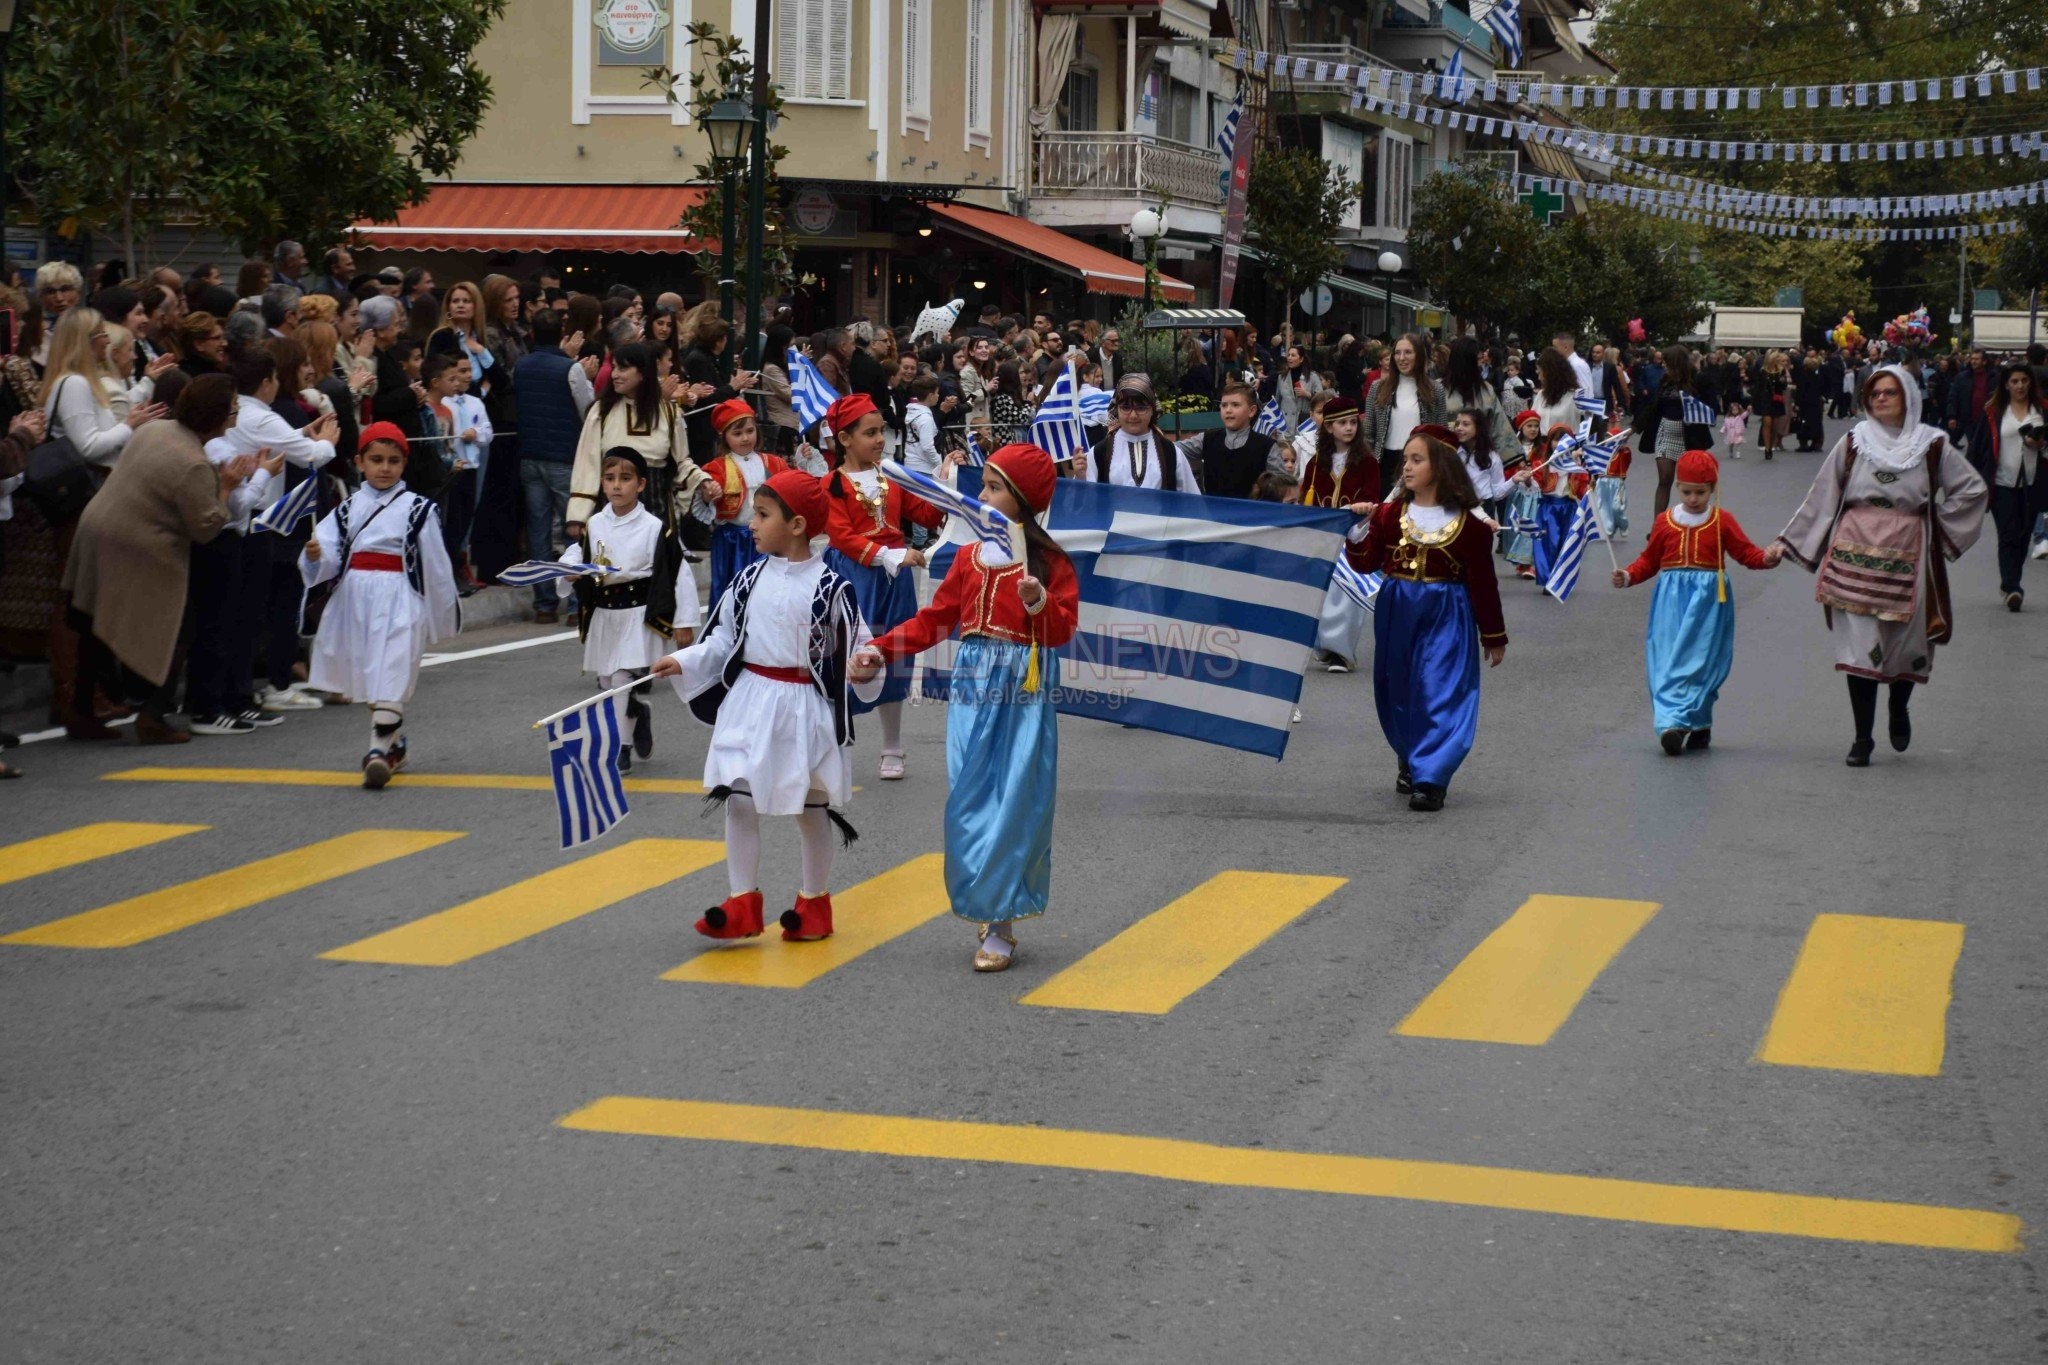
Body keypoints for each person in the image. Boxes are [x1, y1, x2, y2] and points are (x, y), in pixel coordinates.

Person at [851, 443, 1079, 971]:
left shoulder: (1049, 562)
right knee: (969, 796)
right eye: (985, 484)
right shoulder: (970, 559)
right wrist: (880, 649)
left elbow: (1062, 630)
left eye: (995, 487)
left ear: (1021, 501)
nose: (982, 495)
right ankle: (986, 892)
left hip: (1021, 687)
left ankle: (1000, 921)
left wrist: (1038, 602)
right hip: (972, 688)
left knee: (1012, 798)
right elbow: (934, 620)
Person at [651, 470, 884, 944]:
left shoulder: (831, 590)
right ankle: (742, 903)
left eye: (762, 514)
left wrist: (866, 664)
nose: (751, 524)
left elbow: (859, 647)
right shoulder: (749, 578)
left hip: (805, 709)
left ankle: (814, 903)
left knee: (809, 808)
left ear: (797, 525)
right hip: (751, 701)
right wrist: (682, 659)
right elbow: (722, 640)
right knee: (739, 799)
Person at [1775, 365, 1989, 767]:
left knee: (1907, 644)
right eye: (1874, 393)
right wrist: (1787, 544)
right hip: (1854, 549)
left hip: (1910, 551)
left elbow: (1972, 490)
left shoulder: (1933, 445)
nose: (1880, 399)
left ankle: (1899, 706)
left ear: (1907, 397)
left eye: (1889, 393)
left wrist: (1938, 528)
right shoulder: (1854, 442)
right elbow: (1824, 495)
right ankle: (1861, 738)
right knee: (1859, 648)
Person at [60, 378, 255, 750]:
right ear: (216, 417)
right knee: (180, 626)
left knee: (92, 623)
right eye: (233, 408)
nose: (237, 413)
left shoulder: (157, 429)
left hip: (97, 525)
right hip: (139, 545)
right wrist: (227, 485)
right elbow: (206, 528)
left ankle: (81, 710)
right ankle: (153, 715)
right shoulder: (195, 462)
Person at [1351, 426, 1508, 812]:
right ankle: (1409, 753)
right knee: (1399, 686)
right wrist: (1354, 533)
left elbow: (1484, 584)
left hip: (1447, 612)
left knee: (1439, 687)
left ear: (1440, 466)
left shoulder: (1471, 527)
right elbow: (1368, 561)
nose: (1406, 466)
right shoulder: (1389, 515)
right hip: (1397, 608)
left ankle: (1432, 776)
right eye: (1405, 459)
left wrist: (1493, 635)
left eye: (1416, 459)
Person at [299, 423, 462, 789]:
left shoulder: (419, 509)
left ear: (404, 464)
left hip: (401, 597)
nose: (384, 468)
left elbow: (435, 565)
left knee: (390, 669)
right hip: (355, 599)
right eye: (376, 460)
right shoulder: (345, 510)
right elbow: (328, 552)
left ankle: (376, 752)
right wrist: (314, 556)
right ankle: (394, 744)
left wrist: (439, 615)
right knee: (373, 674)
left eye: (393, 461)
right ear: (359, 462)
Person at [1611, 450, 1781, 755]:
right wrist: (1627, 575)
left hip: (1709, 600)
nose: (1693, 498)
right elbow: (1649, 561)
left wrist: (1766, 559)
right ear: (1677, 488)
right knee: (1666, 660)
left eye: (1700, 492)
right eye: (1686, 491)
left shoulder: (1721, 521)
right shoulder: (1664, 522)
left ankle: (1698, 721)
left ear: (1713, 489)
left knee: (1702, 662)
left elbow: (1746, 554)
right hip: (1669, 599)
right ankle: (1671, 724)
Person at [819, 392, 944, 780]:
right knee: (847, 656)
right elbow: (842, 536)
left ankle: (893, 746)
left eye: (882, 433)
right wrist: (891, 555)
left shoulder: (890, 475)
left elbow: (923, 512)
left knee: (893, 654)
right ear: (844, 439)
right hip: (853, 579)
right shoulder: (831, 484)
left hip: (895, 580)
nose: (879, 441)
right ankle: (834, 740)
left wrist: (943, 486)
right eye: (870, 433)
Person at [562, 447, 699, 773]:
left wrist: (684, 621)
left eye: (624, 479)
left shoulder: (655, 527)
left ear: (639, 484)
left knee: (622, 677)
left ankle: (621, 749)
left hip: (639, 612)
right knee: (608, 680)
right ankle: (636, 712)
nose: (616, 486)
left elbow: (678, 573)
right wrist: (567, 568)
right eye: (609, 479)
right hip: (606, 614)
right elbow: (576, 554)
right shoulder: (594, 523)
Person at [566, 341, 708, 532]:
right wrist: (578, 517)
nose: (615, 374)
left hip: (656, 511)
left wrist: (703, 482)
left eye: (623, 368)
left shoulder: (667, 412)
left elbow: (681, 462)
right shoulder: (601, 412)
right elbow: (587, 464)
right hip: (610, 511)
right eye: (614, 368)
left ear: (642, 373)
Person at [512, 310, 588, 623]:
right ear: (562, 333)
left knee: (538, 531)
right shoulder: (571, 369)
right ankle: (573, 605)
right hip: (563, 456)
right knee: (573, 529)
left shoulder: (520, 366)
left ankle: (544, 604)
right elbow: (586, 408)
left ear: (532, 332)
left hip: (530, 454)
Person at [694, 397, 790, 610]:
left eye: (750, 431)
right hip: (733, 542)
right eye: (737, 434)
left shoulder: (774, 462)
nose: (745, 438)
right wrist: (709, 495)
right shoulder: (716, 468)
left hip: (770, 538)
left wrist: (804, 459)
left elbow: (791, 487)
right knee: (735, 593)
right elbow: (705, 498)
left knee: (769, 594)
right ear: (724, 437)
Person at [1979, 361, 2047, 611]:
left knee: (2024, 535)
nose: (2020, 386)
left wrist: (2040, 445)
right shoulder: (1994, 412)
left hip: (2033, 483)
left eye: (2024, 381)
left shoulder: (2042, 410)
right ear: (2006, 385)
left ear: (2031, 383)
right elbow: (1980, 448)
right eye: (2015, 381)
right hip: (2002, 483)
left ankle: (2009, 583)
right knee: (2008, 535)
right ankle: (2013, 586)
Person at [1362, 333, 1447, 499]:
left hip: (1422, 465)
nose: (1402, 358)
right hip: (1385, 464)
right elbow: (1368, 433)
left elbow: (1441, 434)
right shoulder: (1377, 388)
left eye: (1408, 352)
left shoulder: (1435, 390)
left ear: (1419, 355)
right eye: (1397, 353)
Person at [1175, 381, 1276, 499]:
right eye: (1224, 405)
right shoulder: (1207, 439)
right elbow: (1171, 450)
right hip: (1212, 513)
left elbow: (1281, 490)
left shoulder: (1268, 447)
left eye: (1235, 405)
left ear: (1252, 411)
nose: (1228, 410)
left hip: (1253, 514)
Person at [1499, 410, 1543, 580]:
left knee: (1530, 526)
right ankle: (1521, 562)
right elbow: (1507, 469)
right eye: (1529, 426)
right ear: (1521, 427)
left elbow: (1544, 470)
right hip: (1517, 494)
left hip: (1534, 494)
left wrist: (1533, 477)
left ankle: (1531, 564)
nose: (1533, 429)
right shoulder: (1514, 449)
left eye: (1536, 426)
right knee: (1516, 527)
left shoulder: (1542, 449)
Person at [1793, 353, 1828, 452]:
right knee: (1816, 423)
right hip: (1816, 403)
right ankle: (1816, 442)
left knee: (1803, 423)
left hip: (1805, 403)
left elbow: (1800, 391)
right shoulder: (1818, 377)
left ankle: (1803, 443)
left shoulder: (1802, 377)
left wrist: (1796, 403)